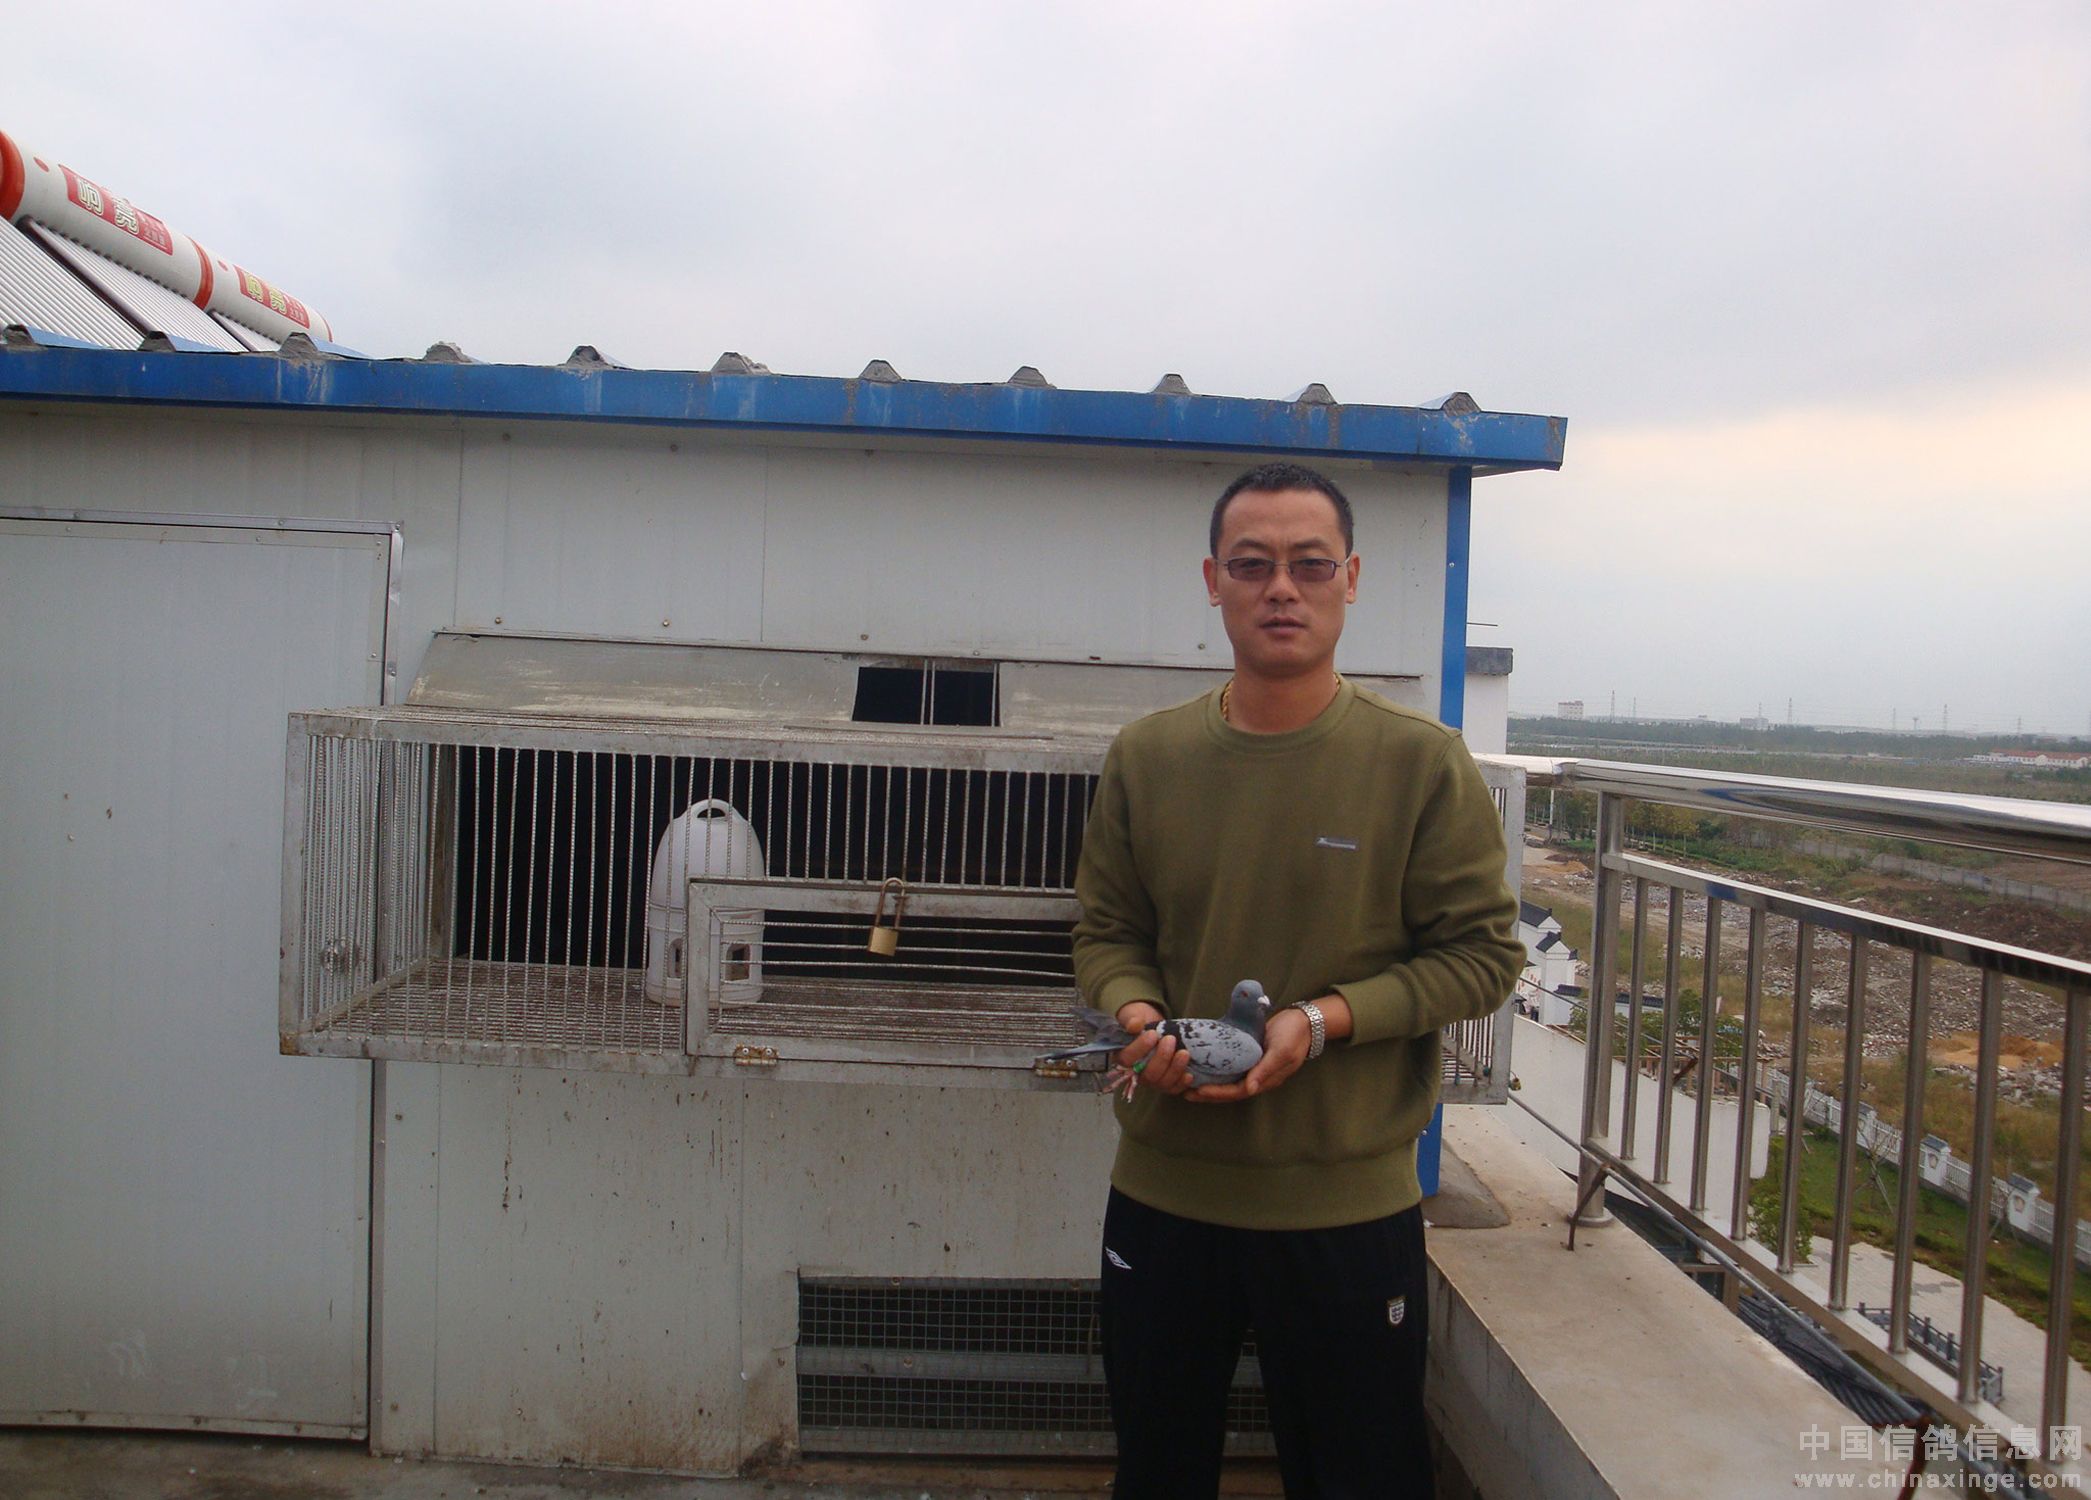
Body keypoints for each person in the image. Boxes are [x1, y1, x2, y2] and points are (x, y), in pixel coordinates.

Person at [1071, 460, 1526, 1498]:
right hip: (1165, 1190)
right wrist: (1139, 1019)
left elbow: (1483, 956)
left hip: (1344, 1206)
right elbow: (1107, 932)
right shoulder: (1148, 756)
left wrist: (1323, 1021)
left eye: (1310, 564)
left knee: (1363, 1476)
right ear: (1213, 580)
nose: (1282, 588)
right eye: (1253, 564)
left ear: (1351, 578)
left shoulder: (1420, 763)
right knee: (1157, 1471)